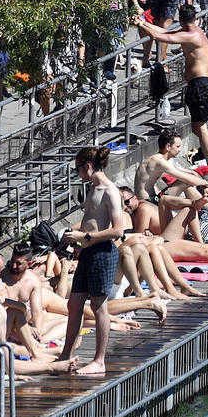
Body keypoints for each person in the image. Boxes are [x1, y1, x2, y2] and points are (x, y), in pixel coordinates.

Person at [56, 146, 130, 376]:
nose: (77, 173)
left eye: (78, 169)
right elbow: (91, 220)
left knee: (99, 306)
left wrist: (84, 237)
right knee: (74, 303)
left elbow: (118, 231)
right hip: (87, 252)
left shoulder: (109, 190)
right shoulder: (92, 187)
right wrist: (72, 235)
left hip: (102, 253)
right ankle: (65, 355)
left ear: (87, 166)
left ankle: (99, 361)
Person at [132, 6, 208, 166]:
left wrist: (140, 25)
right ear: (195, 18)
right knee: (200, 128)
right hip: (206, 85)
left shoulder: (191, 36)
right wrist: (143, 22)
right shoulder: (195, 31)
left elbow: (160, 37)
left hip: (200, 86)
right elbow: (164, 32)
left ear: (180, 20)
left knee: (200, 129)